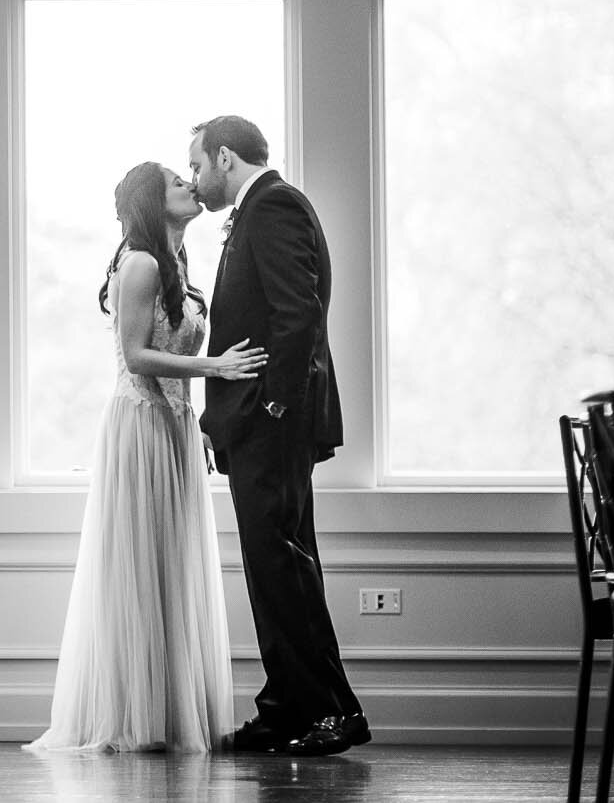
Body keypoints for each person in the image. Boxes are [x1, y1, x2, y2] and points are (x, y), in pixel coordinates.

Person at [27, 161, 266, 753]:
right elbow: (135, 356)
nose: (190, 185)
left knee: (171, 567)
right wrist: (215, 367)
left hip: (177, 429)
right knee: (138, 565)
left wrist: (198, 421)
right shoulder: (140, 263)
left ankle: (166, 716)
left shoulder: (180, 267)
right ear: (152, 204)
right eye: (176, 183)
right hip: (138, 427)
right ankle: (133, 717)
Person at [187, 113, 368, 757]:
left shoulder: (274, 206)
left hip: (274, 428)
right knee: (270, 570)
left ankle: (331, 712)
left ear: (227, 158)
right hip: (258, 428)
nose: (195, 178)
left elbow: (300, 314)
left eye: (198, 165)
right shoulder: (260, 208)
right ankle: (286, 707)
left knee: (283, 567)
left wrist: (272, 411)